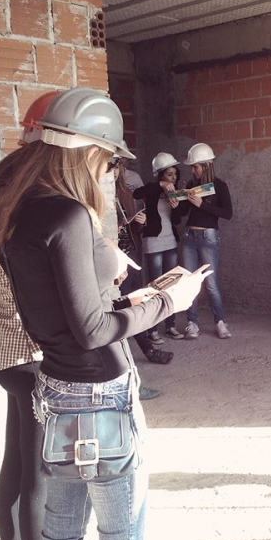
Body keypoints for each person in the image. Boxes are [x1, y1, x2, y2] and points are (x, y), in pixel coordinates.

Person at [0, 87, 207, 540]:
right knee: (122, 538)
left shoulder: (15, 210)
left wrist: (131, 301)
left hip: (57, 386)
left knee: (61, 537)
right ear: (89, 150)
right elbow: (92, 331)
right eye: (108, 159)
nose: (107, 169)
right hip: (100, 390)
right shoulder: (67, 214)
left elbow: (59, 310)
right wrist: (170, 301)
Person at [0, 91, 60, 540]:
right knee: (37, 472)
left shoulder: (3, 193)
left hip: (9, 353)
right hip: (32, 353)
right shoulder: (32, 204)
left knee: (18, 463)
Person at [113, 161, 174, 388]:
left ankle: (147, 348)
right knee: (119, 307)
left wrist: (138, 223)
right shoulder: (97, 193)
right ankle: (133, 360)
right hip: (112, 258)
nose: (114, 171)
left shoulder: (124, 192)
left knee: (135, 301)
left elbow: (134, 228)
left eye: (116, 166)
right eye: (111, 166)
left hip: (130, 254)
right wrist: (113, 228)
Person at [175, 142, 234, 339]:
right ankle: (192, 323)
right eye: (192, 167)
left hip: (208, 237)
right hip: (189, 237)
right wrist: (177, 202)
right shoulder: (191, 185)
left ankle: (220, 322)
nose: (193, 170)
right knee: (190, 281)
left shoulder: (219, 186)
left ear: (206, 166)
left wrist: (202, 205)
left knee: (210, 282)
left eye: (196, 167)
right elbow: (183, 212)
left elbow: (227, 213)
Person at [133, 152, 185, 341]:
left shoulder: (175, 192)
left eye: (175, 174)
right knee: (155, 285)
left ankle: (170, 325)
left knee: (170, 284)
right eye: (170, 174)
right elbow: (137, 193)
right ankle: (152, 329)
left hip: (170, 242)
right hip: (153, 242)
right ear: (161, 174)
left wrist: (176, 205)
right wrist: (160, 185)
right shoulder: (152, 189)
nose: (173, 177)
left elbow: (178, 220)